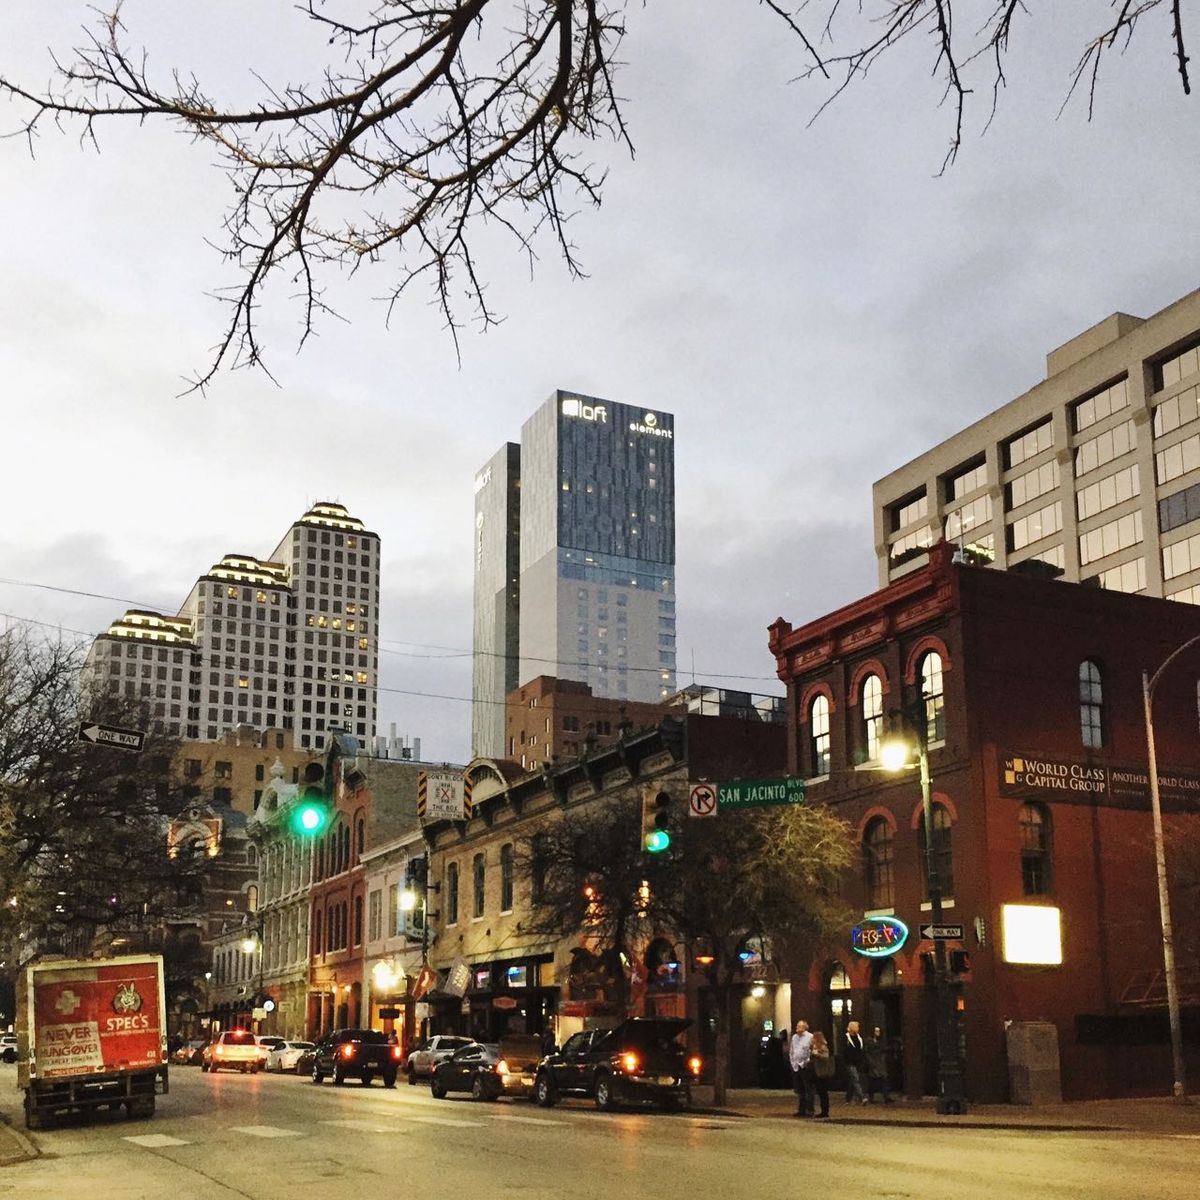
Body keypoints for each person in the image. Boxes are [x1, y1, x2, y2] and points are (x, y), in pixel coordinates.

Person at [788, 1020, 814, 1116]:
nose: (797, 1028)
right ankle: (801, 1109)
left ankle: (809, 1109)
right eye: (797, 1026)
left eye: (800, 1026)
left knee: (808, 1088)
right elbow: (792, 1050)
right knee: (800, 1089)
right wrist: (792, 1062)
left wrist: (807, 1061)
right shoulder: (794, 1037)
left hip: (805, 1065)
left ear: (805, 1027)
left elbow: (811, 1051)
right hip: (796, 1066)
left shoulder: (810, 1037)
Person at [865, 1026, 893, 1103]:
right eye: (876, 1031)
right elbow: (867, 1053)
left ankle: (886, 1096)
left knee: (884, 1079)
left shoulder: (881, 1041)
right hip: (873, 1062)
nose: (878, 1033)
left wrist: (883, 1059)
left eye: (879, 1031)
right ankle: (871, 1097)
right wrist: (870, 1062)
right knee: (872, 1081)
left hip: (880, 1062)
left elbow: (883, 1051)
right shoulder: (869, 1041)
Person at [810, 1031, 834, 1118]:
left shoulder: (823, 1047)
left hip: (822, 1073)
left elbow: (826, 1057)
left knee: (823, 1092)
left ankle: (825, 1111)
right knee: (820, 1092)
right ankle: (823, 1110)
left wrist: (817, 1054)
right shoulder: (814, 1047)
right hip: (818, 1072)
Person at [843, 1020, 867, 1104]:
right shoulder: (846, 1038)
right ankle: (862, 1097)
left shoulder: (859, 1038)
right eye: (857, 1027)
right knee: (855, 1078)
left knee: (852, 1080)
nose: (858, 1028)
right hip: (849, 1062)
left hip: (858, 1062)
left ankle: (848, 1098)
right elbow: (844, 1050)